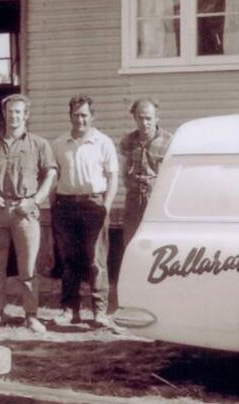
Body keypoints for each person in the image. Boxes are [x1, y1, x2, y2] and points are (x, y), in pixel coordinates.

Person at [0, 94, 57, 333]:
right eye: (10, 112)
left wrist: (35, 201)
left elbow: (50, 174)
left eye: (18, 112)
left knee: (28, 267)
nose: (14, 116)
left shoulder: (39, 144)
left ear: (26, 115)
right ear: (4, 114)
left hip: (25, 212)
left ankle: (31, 315)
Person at [51, 95, 118, 328]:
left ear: (92, 116)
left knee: (96, 259)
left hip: (93, 204)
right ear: (69, 116)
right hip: (66, 205)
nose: (80, 119)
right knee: (69, 261)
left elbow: (112, 176)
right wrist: (52, 207)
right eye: (76, 115)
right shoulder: (59, 144)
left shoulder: (103, 142)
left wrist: (106, 206)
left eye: (84, 115)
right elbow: (53, 178)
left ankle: (99, 311)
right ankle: (69, 310)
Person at [119, 98, 173, 247]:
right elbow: (123, 173)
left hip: (158, 201)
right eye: (140, 118)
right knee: (132, 244)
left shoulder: (169, 141)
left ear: (157, 118)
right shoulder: (127, 141)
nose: (144, 123)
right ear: (135, 118)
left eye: (148, 118)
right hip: (134, 203)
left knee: (159, 244)